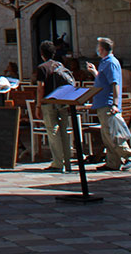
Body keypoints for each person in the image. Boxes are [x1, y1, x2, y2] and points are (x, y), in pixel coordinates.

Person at [84, 36, 131, 171]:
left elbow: (114, 83)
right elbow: (103, 80)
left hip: (108, 103)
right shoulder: (104, 62)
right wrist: (95, 72)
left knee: (112, 133)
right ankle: (112, 162)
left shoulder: (111, 62)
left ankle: (128, 155)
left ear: (102, 49)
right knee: (106, 135)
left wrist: (115, 104)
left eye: (98, 47)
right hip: (102, 103)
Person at [34, 40, 76, 173]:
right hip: (62, 101)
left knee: (53, 132)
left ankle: (58, 162)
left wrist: (38, 106)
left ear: (42, 54)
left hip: (49, 103)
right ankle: (67, 161)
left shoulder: (42, 68)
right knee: (64, 131)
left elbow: (40, 88)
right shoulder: (60, 65)